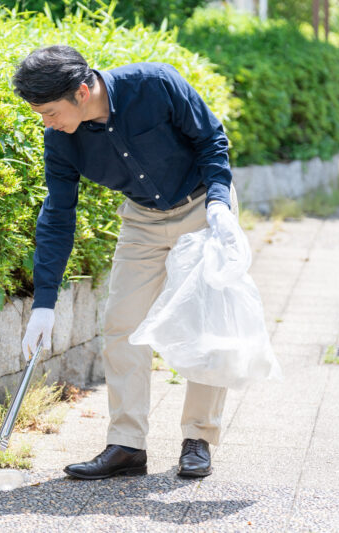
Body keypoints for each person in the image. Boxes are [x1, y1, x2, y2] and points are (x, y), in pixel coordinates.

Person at [14, 45, 241, 479]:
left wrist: (218, 204)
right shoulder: (61, 139)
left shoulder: (155, 84)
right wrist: (44, 301)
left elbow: (211, 138)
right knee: (122, 324)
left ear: (81, 92)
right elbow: (58, 214)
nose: (46, 122)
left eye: (48, 112)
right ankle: (127, 444)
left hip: (202, 209)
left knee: (207, 322)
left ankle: (198, 438)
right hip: (142, 219)